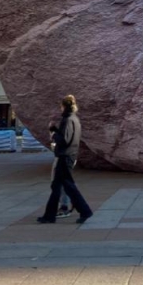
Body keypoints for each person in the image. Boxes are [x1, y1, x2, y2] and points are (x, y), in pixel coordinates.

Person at [37, 95, 94, 224]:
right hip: (69, 155)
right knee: (59, 186)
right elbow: (66, 136)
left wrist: (53, 133)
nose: (60, 109)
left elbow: (64, 140)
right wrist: (55, 130)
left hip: (64, 156)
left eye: (61, 106)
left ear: (64, 106)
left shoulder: (68, 119)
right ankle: (49, 215)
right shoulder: (74, 119)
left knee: (66, 186)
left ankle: (85, 211)